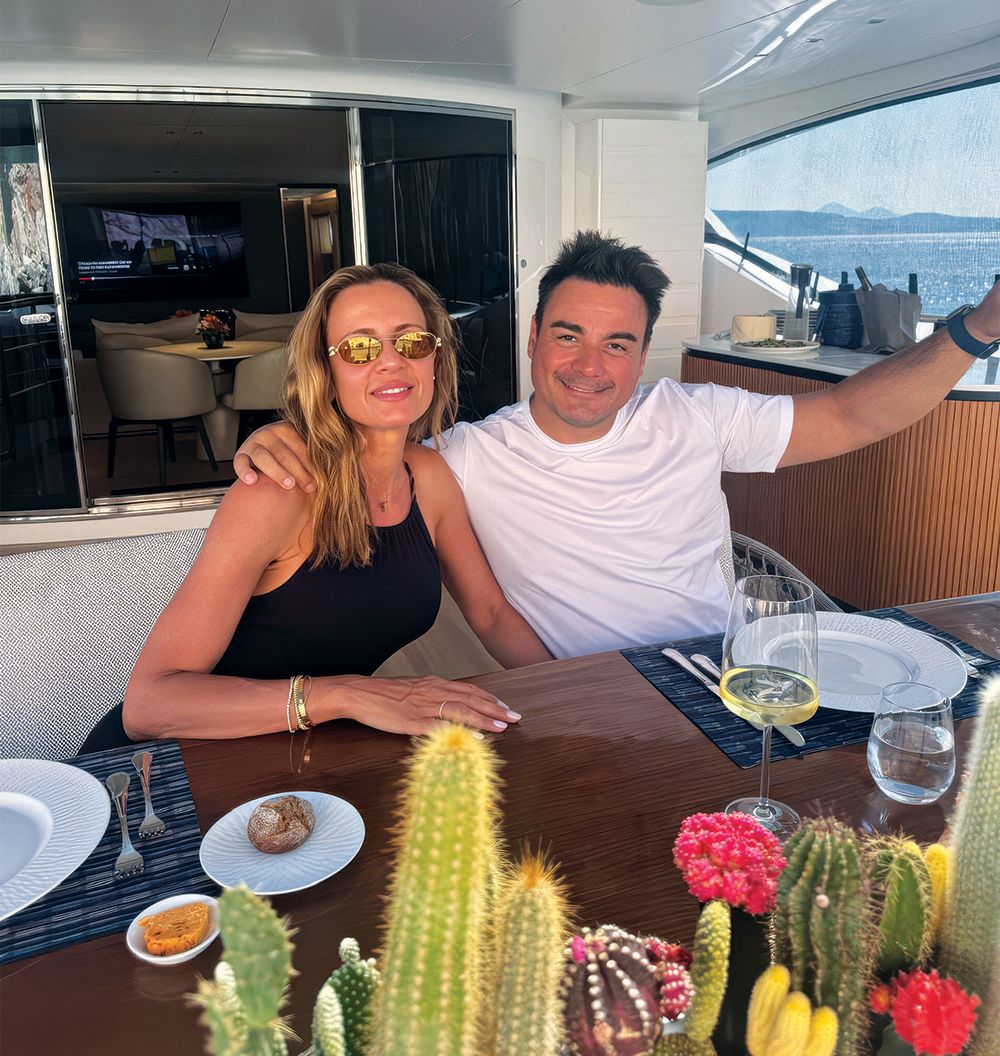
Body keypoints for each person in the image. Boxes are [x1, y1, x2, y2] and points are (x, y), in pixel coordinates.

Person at [233, 231, 1000, 659]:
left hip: (733, 665)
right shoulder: (466, 458)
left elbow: (853, 417)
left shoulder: (695, 413)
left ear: (642, 354)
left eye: (617, 344)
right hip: (598, 689)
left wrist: (976, 330)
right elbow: (367, 438)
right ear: (534, 339)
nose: (589, 368)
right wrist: (287, 430)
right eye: (568, 335)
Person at [117, 262, 552, 745]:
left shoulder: (429, 477)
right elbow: (148, 706)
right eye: (359, 348)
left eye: (411, 341)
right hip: (181, 762)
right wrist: (348, 695)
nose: (391, 362)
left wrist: (572, 688)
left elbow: (490, 612)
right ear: (325, 370)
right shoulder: (279, 488)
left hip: (302, 754)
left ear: (435, 358)